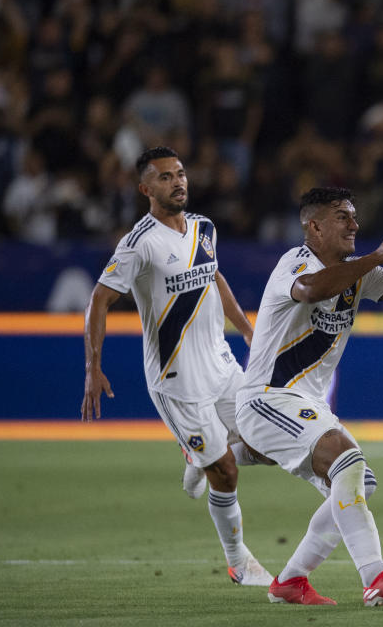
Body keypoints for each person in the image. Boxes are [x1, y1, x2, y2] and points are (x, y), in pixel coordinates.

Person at [234, 186, 383, 606]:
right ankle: (375, 575)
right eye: (343, 216)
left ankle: (291, 579)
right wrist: (376, 257)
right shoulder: (295, 263)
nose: (354, 224)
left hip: (304, 404)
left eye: (354, 216)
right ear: (314, 226)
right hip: (267, 397)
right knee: (346, 459)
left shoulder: (358, 272)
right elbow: (312, 290)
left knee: (359, 483)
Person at [81, 146, 273, 586]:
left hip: (222, 367)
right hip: (178, 379)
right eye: (166, 177)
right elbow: (98, 300)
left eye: (181, 173)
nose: (178, 182)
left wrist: (246, 330)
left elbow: (214, 277)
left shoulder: (205, 228)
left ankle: (197, 453)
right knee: (225, 471)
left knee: (268, 443)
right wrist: (94, 367)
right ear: (146, 189)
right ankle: (239, 562)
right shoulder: (138, 244)